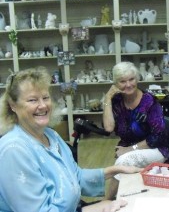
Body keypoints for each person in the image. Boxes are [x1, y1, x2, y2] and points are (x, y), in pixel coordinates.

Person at [0, 66, 142, 212]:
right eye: (32, 100)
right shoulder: (14, 150)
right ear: (13, 106)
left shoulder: (51, 135)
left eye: (45, 97)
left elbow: (76, 177)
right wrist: (92, 209)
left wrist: (117, 169)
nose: (42, 105)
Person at [103, 62, 169, 200]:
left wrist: (129, 149)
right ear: (115, 84)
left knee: (124, 161)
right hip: (128, 148)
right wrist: (107, 99)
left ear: (137, 79)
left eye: (131, 79)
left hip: (156, 149)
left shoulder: (149, 101)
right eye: (122, 81)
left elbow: (158, 137)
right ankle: (123, 200)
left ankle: (107, 201)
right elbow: (108, 127)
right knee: (124, 161)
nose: (128, 85)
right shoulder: (117, 101)